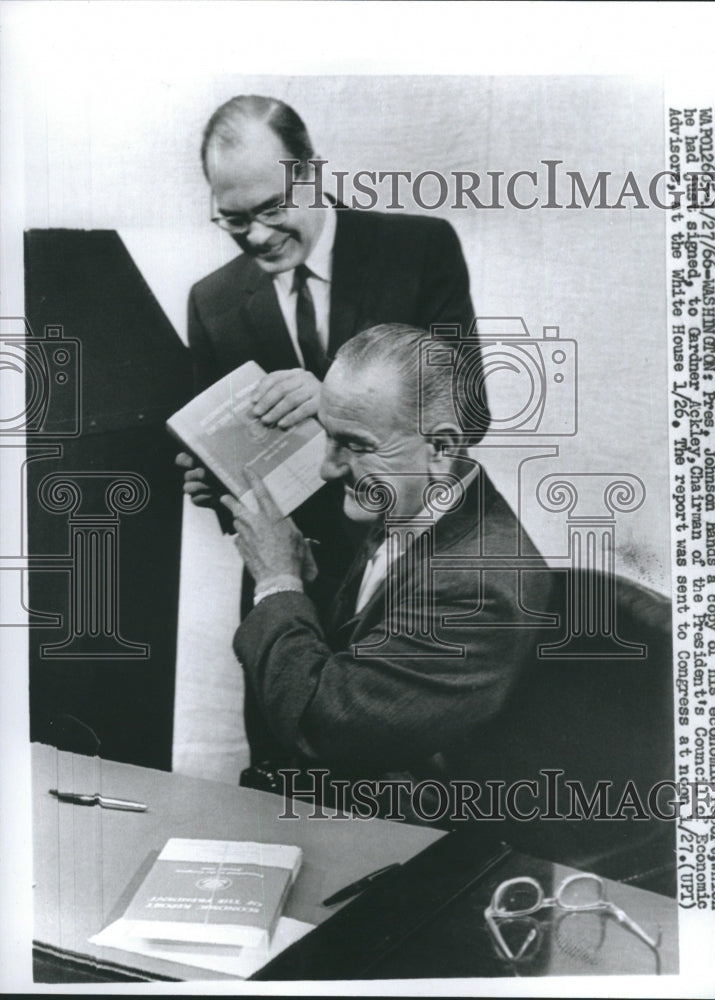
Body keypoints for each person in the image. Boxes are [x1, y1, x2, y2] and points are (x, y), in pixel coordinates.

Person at [177, 94, 489, 777]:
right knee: (282, 793)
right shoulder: (213, 299)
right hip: (288, 587)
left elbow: (465, 416)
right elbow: (238, 475)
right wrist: (211, 480)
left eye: (270, 210)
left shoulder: (417, 247)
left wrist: (334, 403)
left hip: (413, 581)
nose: (255, 236)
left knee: (415, 808)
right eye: (232, 220)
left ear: (312, 175)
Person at [222, 324, 553, 813]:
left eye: (355, 445)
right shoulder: (414, 505)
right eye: (328, 437)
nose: (328, 469)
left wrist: (277, 584)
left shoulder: (480, 586)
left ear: (441, 448)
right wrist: (308, 584)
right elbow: (377, 640)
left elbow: (329, 728)